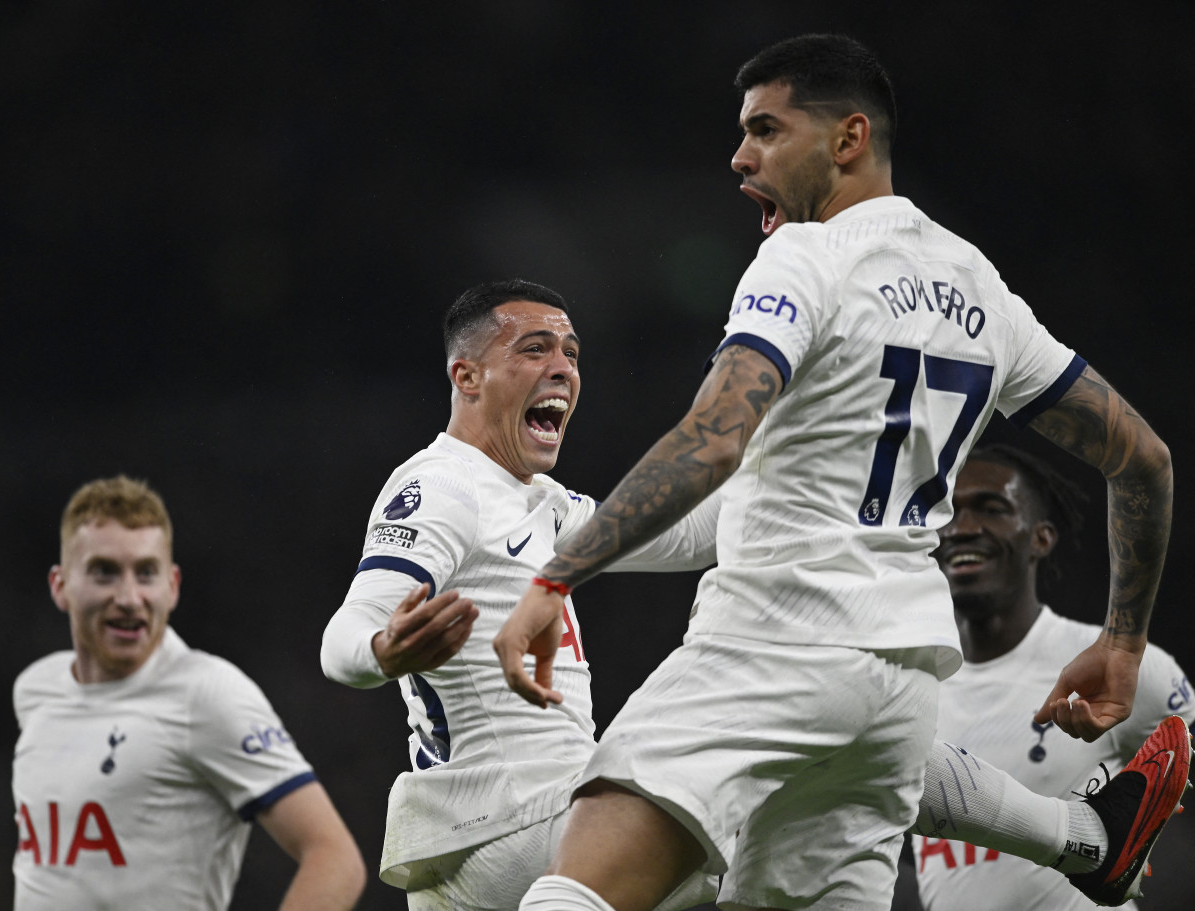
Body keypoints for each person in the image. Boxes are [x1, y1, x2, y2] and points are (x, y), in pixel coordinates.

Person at [495, 33, 1179, 911]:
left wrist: (557, 575)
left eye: (767, 129)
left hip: (772, 643)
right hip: (896, 697)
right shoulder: (983, 291)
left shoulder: (806, 257)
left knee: (572, 893)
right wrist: (1123, 643)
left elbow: (713, 438)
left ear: (848, 138)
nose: (741, 155)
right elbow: (1145, 458)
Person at [320, 279, 719, 911]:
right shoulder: (445, 485)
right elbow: (349, 627)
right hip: (517, 821)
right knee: (768, 786)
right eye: (535, 349)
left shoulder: (544, 503)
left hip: (504, 836)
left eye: (572, 352)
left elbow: (698, 534)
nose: (562, 367)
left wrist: (778, 447)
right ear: (468, 376)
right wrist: (380, 648)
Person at [12, 476, 366, 911]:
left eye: (146, 573)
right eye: (104, 571)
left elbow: (335, 858)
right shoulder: (35, 691)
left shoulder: (207, 694)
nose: (129, 597)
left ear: (173, 585)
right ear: (60, 585)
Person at [903, 444, 1195, 910]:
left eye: (991, 509)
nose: (961, 528)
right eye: (948, 513)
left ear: (1041, 537)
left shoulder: (1118, 670)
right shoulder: (906, 687)